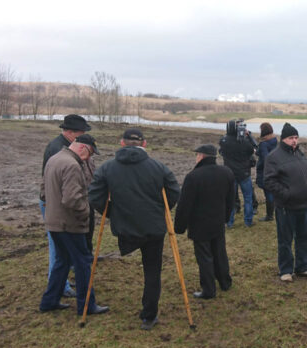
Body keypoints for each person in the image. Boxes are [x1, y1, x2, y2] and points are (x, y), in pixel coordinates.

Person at [88, 128, 180, 330]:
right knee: (152, 270)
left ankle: (148, 315)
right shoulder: (159, 167)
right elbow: (174, 192)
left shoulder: (106, 168)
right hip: (154, 228)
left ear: (122, 143)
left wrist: (115, 213)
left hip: (124, 227)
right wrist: (159, 211)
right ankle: (149, 316)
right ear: (144, 144)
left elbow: (95, 197)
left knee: (151, 269)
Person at [39, 135, 109, 316]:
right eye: (90, 153)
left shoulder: (54, 159)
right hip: (69, 224)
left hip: (53, 222)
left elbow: (43, 191)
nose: (88, 159)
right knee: (83, 262)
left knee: (62, 261)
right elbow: (72, 199)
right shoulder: (72, 165)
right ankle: (87, 305)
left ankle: (49, 301)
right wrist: (86, 212)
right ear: (82, 148)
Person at [40, 114, 94, 298]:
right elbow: (62, 191)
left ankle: (57, 290)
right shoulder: (59, 151)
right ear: (70, 132)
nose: (82, 135)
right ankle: (61, 288)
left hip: (57, 204)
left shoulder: (63, 149)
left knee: (62, 253)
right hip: (60, 207)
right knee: (59, 251)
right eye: (80, 133)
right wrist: (84, 210)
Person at [174, 144, 235, 299]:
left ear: (201, 156)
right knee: (220, 252)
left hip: (199, 225)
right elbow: (231, 199)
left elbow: (184, 205)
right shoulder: (226, 172)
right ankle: (225, 282)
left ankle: (208, 290)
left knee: (205, 257)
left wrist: (179, 227)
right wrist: (226, 218)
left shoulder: (193, 177)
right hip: (218, 222)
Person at [264, 123, 307, 282]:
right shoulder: (274, 157)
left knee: (304, 237)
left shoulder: (299, 154)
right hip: (286, 207)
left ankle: (302, 267)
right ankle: (286, 270)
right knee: (285, 240)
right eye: (291, 138)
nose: (294, 141)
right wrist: (287, 194)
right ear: (283, 139)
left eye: (296, 138)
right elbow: (269, 181)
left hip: (304, 205)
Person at [220, 119, 258, 228]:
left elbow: (221, 150)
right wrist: (248, 135)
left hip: (229, 174)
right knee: (248, 198)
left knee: (230, 199)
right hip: (244, 173)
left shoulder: (224, 141)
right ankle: (248, 221)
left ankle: (229, 222)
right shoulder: (244, 142)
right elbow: (254, 149)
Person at [256, 122, 278, 222]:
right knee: (272, 192)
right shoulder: (274, 140)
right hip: (275, 169)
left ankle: (269, 215)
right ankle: (273, 212)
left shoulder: (264, 144)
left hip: (265, 171)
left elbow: (265, 158)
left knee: (268, 193)